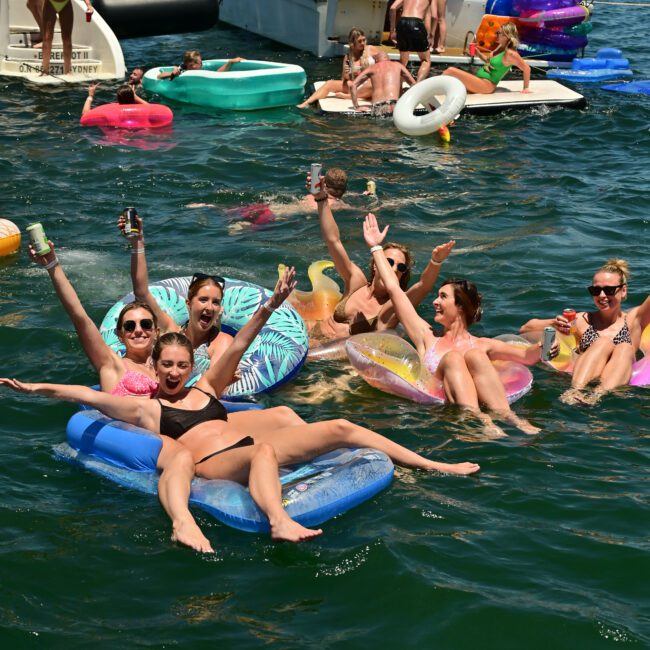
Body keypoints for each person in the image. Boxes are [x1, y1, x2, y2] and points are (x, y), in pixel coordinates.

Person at [1, 268, 480, 553]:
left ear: (190, 365)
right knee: (264, 453)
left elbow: (244, 340)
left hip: (248, 443)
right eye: (164, 365)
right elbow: (86, 396)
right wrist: (34, 387)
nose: (170, 372)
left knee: (340, 425)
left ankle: (433, 463)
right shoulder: (147, 408)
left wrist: (272, 303)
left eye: (178, 365)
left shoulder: (208, 386)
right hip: (220, 463)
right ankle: (278, 521)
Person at [363, 213, 544, 436]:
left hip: (473, 402)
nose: (435, 302)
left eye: (442, 297)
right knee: (453, 358)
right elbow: (394, 289)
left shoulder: (483, 344)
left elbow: (528, 357)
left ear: (459, 307)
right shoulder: (426, 336)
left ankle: (511, 418)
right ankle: (482, 421)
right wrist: (375, 247)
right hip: (443, 414)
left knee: (476, 356)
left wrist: (550, 341)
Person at [308, 176, 454, 342]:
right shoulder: (356, 282)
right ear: (376, 265)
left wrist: (436, 261)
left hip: (327, 359)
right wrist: (321, 198)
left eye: (401, 268)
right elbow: (333, 241)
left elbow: (423, 286)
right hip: (308, 339)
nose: (393, 269)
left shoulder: (393, 306)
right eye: (389, 262)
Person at [29, 240, 159, 396]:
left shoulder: (168, 365)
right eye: (130, 326)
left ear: (156, 331)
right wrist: (52, 265)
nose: (138, 330)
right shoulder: (111, 363)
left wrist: (139, 241)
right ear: (120, 334)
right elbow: (79, 317)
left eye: (145, 324)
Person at [520, 259, 650, 405]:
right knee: (603, 342)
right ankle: (575, 392)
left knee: (624, 347)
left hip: (617, 380)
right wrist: (553, 323)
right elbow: (526, 328)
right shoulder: (582, 320)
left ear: (623, 290)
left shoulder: (634, 320)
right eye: (595, 290)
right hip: (584, 376)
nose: (601, 295)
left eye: (609, 290)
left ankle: (596, 395)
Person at [117, 212, 234, 374]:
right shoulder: (170, 330)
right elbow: (141, 292)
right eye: (203, 300)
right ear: (188, 303)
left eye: (215, 302)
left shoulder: (222, 342)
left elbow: (214, 385)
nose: (210, 307)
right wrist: (137, 243)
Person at [297, 28, 378, 109]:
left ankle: (349, 96)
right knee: (330, 83)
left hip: (370, 83)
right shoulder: (348, 57)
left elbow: (384, 63)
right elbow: (344, 79)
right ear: (352, 43)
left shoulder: (371, 49)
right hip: (357, 85)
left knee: (373, 83)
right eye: (359, 41)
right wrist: (349, 74)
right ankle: (307, 102)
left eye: (364, 40)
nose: (363, 43)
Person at [442, 22, 531, 94]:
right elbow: (489, 61)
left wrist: (525, 88)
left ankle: (430, 91)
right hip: (480, 81)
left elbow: (526, 68)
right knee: (452, 82)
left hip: (487, 85)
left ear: (506, 36)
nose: (496, 35)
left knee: (451, 71)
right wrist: (479, 54)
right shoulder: (500, 48)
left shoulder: (510, 54)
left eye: (498, 33)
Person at [350, 51, 416, 117]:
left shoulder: (371, 68)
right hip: (395, 105)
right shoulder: (398, 65)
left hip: (378, 108)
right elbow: (414, 84)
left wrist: (356, 107)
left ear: (376, 60)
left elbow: (353, 85)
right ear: (388, 58)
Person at [41, 0, 93, 76]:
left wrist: (88, 5)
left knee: (67, 39)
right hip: (50, 3)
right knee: (47, 38)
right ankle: (45, 70)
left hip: (66, 3)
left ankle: (68, 71)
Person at [389, 0, 434, 82]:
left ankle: (398, 85)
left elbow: (392, 8)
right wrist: (429, 35)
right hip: (416, 22)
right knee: (426, 61)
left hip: (402, 22)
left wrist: (392, 31)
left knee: (403, 61)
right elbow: (432, 16)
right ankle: (417, 85)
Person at [156, 50, 244, 80]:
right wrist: (172, 74)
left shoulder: (200, 70)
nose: (201, 64)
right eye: (199, 63)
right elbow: (159, 76)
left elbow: (216, 74)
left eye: (200, 62)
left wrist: (230, 62)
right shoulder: (182, 71)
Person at [82, 82, 148, 117]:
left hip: (114, 138)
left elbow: (85, 115)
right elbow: (152, 109)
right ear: (133, 98)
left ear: (118, 98)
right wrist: (135, 96)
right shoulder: (141, 111)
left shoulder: (109, 111)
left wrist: (90, 95)